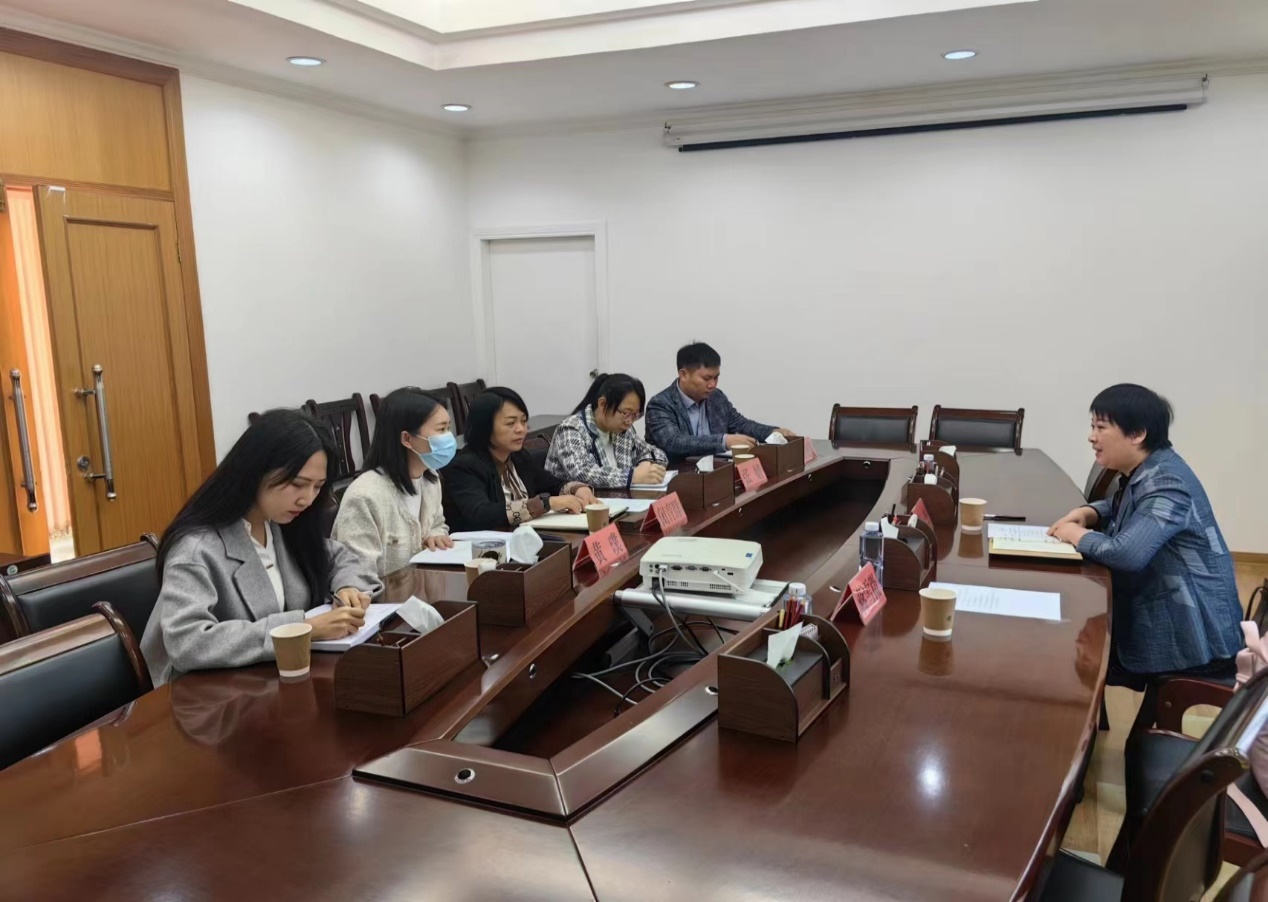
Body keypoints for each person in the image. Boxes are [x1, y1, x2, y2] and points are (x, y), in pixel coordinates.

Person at [141, 410, 382, 686]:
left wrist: (347, 587)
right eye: (298, 484)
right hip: (206, 696)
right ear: (255, 471)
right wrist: (302, 629)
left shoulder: (279, 523)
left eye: (318, 486)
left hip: (269, 680)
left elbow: (338, 556)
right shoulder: (196, 549)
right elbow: (188, 642)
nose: (307, 499)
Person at [1048, 384, 1242, 689]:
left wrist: (1075, 534)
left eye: (1101, 427)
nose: (1091, 437)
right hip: (1170, 613)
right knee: (1065, 634)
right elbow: (1131, 505)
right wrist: (1091, 513)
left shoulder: (1168, 482)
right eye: (1092, 426)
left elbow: (1126, 554)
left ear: (1137, 434)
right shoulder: (1153, 466)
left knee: (1061, 647)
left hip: (1195, 638)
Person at [332, 388, 456, 576]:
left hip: (422, 585)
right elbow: (356, 574)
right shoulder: (365, 497)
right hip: (383, 594)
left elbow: (437, 524)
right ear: (407, 438)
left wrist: (435, 535)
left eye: (448, 428)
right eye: (441, 429)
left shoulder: (430, 478)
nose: (448, 437)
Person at [443, 387, 597, 531]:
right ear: (484, 426)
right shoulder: (465, 466)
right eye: (511, 423)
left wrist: (577, 489)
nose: (521, 429)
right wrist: (546, 503)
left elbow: (551, 483)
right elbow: (481, 513)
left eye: (523, 421)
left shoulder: (518, 456)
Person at [645, 341, 796, 458]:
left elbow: (741, 424)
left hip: (717, 474)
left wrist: (773, 432)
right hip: (678, 479)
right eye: (706, 378)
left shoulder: (716, 397)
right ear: (683, 375)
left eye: (716, 377)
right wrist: (724, 441)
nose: (712, 384)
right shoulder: (660, 404)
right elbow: (674, 442)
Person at [546, 373, 669, 490]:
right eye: (626, 413)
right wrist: (632, 476)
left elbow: (656, 453)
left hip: (618, 499)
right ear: (602, 404)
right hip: (577, 502)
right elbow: (582, 473)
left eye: (635, 415)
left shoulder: (624, 431)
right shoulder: (571, 429)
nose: (629, 421)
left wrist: (646, 466)